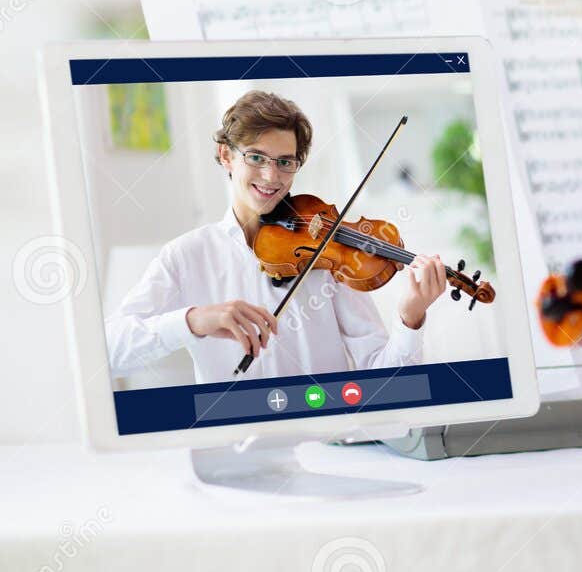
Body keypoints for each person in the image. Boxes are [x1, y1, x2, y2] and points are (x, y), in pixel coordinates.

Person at [107, 90, 450, 384]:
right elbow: (110, 350)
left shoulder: (332, 253)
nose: (272, 176)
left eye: (286, 162)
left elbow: (386, 380)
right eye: (256, 157)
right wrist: (194, 320)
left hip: (326, 430)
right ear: (227, 156)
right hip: (235, 436)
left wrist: (411, 317)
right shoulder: (186, 256)